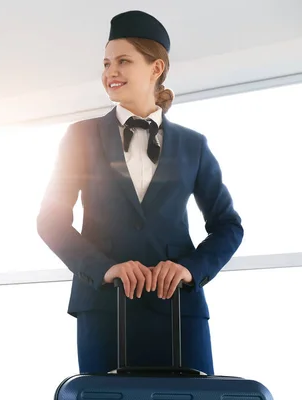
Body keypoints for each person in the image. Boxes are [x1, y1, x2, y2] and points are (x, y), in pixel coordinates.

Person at [36, 10, 243, 375]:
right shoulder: (79, 137)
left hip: (179, 311)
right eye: (105, 63)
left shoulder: (194, 146)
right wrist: (104, 269)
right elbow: (51, 221)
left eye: (123, 61)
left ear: (156, 68)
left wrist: (188, 269)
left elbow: (228, 225)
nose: (110, 72)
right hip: (105, 307)